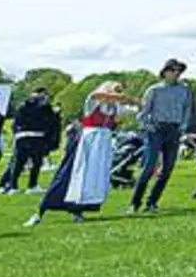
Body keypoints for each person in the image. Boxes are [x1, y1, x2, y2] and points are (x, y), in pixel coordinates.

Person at [25, 81, 136, 226]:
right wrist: (125, 98)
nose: (117, 94)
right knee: (69, 174)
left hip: (101, 143)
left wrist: (133, 104)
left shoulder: (114, 107)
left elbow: (126, 112)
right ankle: (41, 211)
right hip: (87, 141)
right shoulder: (93, 100)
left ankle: (77, 209)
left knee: (90, 179)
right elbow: (98, 95)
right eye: (115, 90)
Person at [130, 59, 193, 214]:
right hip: (156, 130)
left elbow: (187, 109)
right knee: (149, 167)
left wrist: (183, 126)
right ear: (165, 72)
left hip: (175, 129)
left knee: (168, 168)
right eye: (173, 70)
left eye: (179, 71)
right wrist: (148, 127)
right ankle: (135, 203)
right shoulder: (154, 90)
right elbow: (143, 113)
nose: (177, 73)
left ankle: (152, 202)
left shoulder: (185, 90)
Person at [0, 87, 60, 195]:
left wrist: (17, 132)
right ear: (43, 94)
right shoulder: (44, 105)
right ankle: (32, 185)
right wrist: (56, 115)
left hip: (21, 137)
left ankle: (12, 186)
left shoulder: (22, 105)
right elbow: (50, 121)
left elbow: (15, 122)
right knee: (36, 163)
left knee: (18, 163)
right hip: (37, 137)